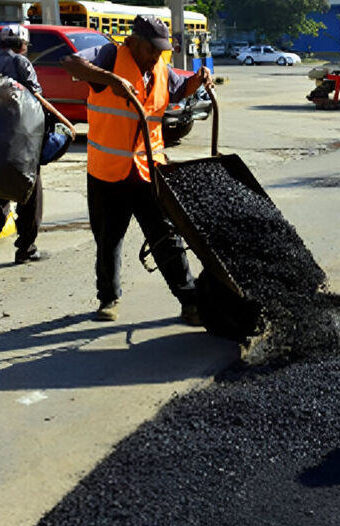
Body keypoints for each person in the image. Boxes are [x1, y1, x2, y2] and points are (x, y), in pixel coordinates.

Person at [61, 15, 211, 324]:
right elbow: (71, 63)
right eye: (151, 49)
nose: (157, 55)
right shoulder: (110, 56)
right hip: (108, 173)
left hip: (148, 170)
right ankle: (108, 298)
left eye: (161, 50)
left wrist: (199, 79)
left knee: (166, 236)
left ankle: (190, 300)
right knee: (108, 239)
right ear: (134, 42)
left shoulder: (159, 68)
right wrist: (111, 80)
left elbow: (179, 88)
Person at [0, 25, 45, 264]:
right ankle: (26, 247)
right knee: (29, 189)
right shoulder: (22, 64)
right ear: (22, 45)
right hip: (20, 136)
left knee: (5, 187)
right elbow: (36, 97)